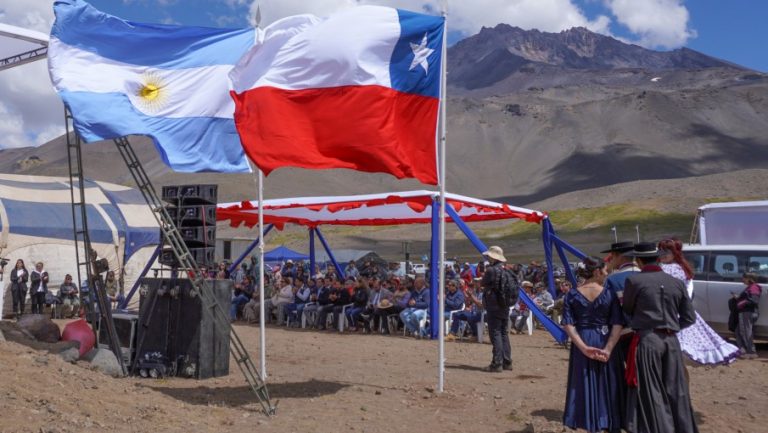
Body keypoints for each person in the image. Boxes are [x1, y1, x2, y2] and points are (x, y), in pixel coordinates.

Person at [623, 242, 698, 433]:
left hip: (648, 339)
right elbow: (689, 317)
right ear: (657, 258)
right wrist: (671, 328)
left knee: (652, 390)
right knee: (676, 389)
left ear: (639, 261)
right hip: (671, 340)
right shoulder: (677, 283)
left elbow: (628, 310)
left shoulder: (634, 282)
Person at [561, 256, 625, 433]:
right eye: (605, 271)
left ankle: (588, 422)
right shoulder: (609, 294)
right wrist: (609, 348)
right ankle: (608, 420)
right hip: (604, 338)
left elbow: (568, 324)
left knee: (583, 380)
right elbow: (618, 323)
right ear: (597, 272)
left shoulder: (572, 295)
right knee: (608, 381)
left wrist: (582, 347)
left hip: (582, 339)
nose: (606, 274)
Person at [658, 238, 740, 364]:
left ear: (674, 253)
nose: (662, 254)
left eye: (666, 252)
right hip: (682, 311)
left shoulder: (668, 269)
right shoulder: (683, 268)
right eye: (660, 251)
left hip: (670, 313)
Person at [481, 246, 513, 372]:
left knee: (495, 333)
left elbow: (483, 283)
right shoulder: (506, 270)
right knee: (504, 333)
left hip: (494, 305)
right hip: (505, 304)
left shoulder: (491, 271)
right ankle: (507, 361)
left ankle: (497, 363)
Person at [733, 272, 762, 359]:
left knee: (746, 332)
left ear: (749, 278)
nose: (743, 279)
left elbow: (753, 300)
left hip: (748, 312)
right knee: (738, 331)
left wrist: (739, 303)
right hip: (745, 312)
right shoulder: (750, 288)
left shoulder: (754, 287)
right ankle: (743, 350)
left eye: (744, 278)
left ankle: (751, 352)